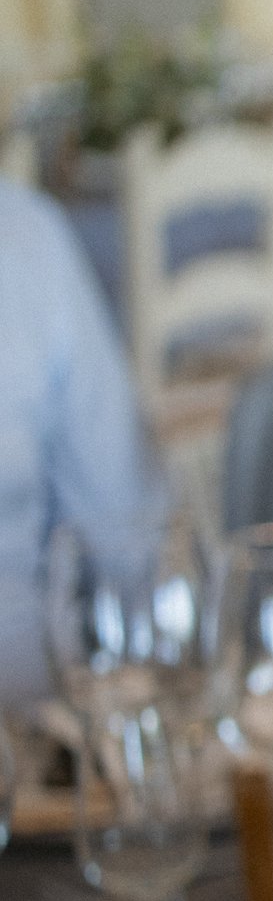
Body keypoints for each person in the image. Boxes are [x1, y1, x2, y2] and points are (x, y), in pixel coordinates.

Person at [0, 180, 170, 705]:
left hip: (29, 743)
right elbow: (132, 543)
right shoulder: (22, 235)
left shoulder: (23, 233)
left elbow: (130, 538)